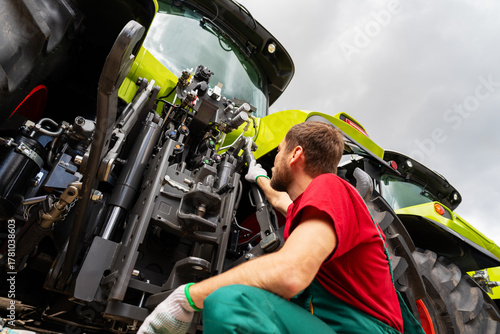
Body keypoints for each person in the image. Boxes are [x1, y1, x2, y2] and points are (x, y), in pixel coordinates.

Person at [138, 121, 418, 334]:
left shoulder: (330, 187)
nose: (275, 161)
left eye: (279, 152)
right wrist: (257, 175)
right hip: (333, 326)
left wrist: (186, 298)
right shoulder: (314, 205)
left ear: (295, 154)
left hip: (361, 329)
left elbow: (290, 273)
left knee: (232, 304)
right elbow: (281, 200)